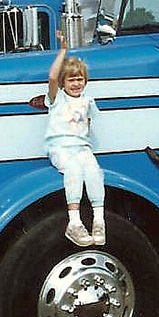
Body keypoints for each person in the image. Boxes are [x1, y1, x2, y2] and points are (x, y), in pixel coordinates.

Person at [45, 31, 106, 246]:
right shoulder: (57, 99)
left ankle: (99, 221)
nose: (76, 83)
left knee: (94, 172)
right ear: (64, 82)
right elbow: (52, 77)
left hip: (81, 148)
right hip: (60, 148)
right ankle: (74, 222)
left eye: (80, 79)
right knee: (73, 170)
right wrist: (63, 50)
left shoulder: (88, 101)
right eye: (71, 79)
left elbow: (87, 125)